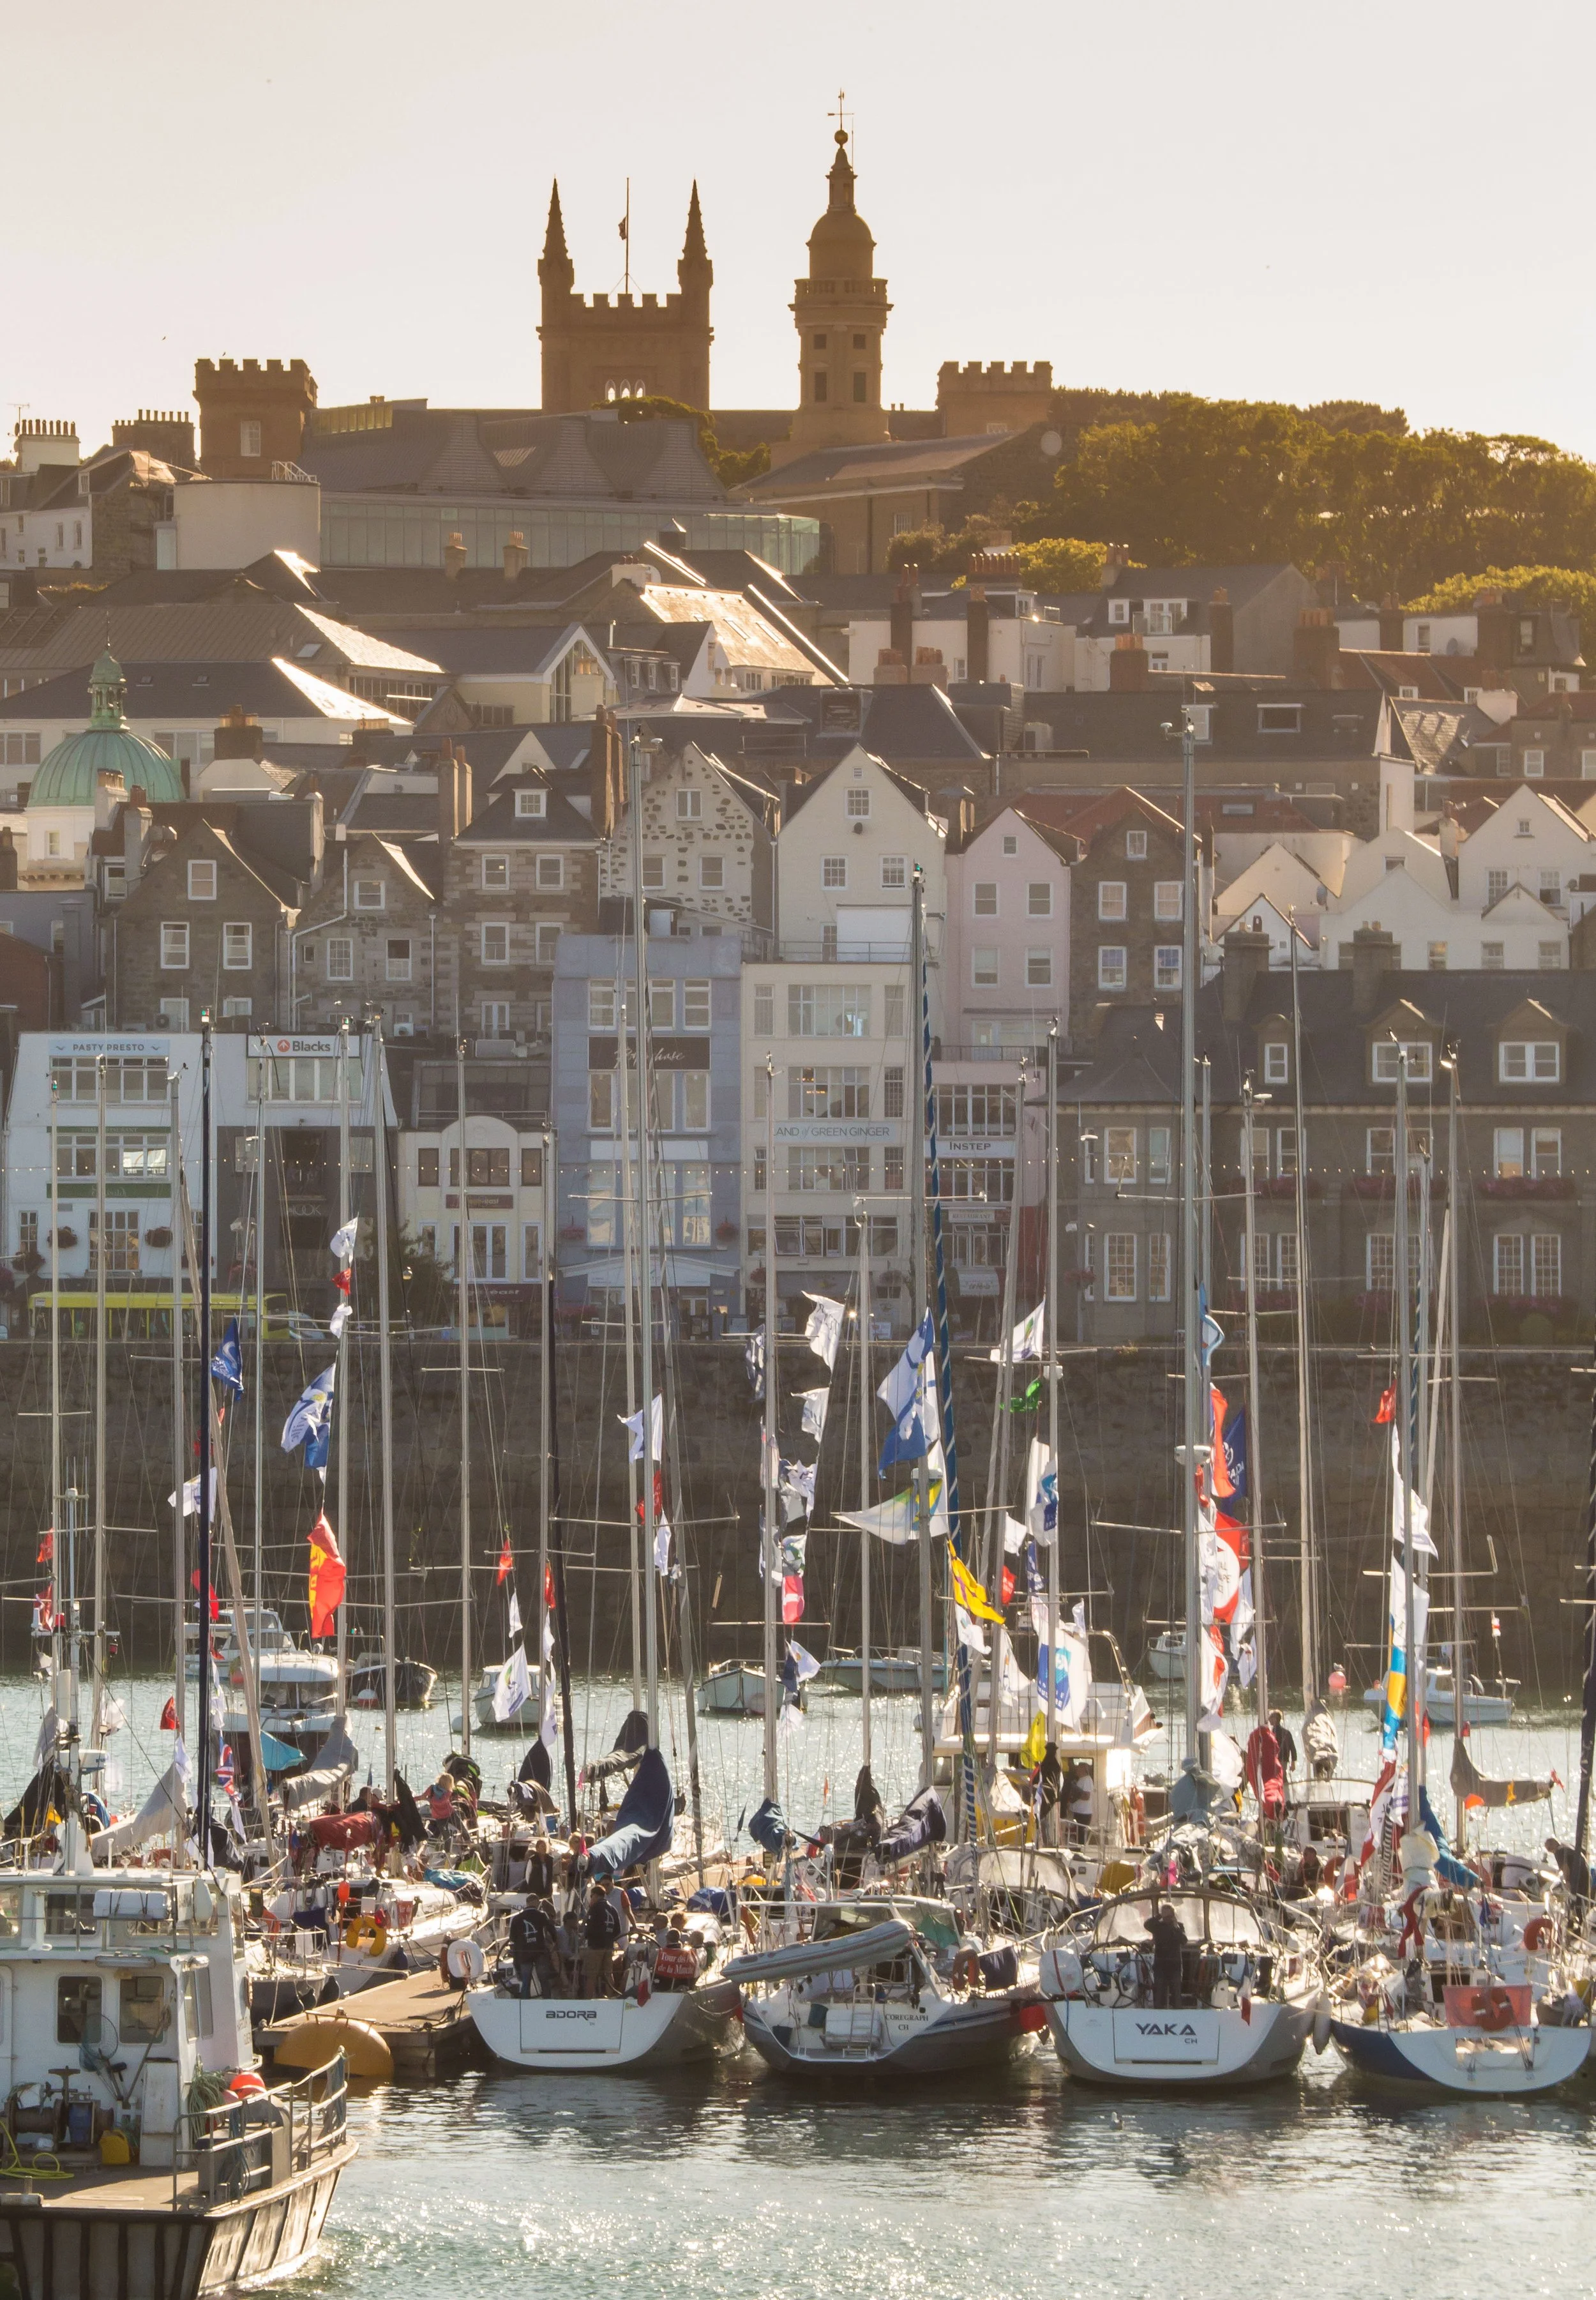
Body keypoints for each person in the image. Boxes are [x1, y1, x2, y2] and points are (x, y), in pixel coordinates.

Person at [1146, 1896, 1187, 2011]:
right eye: (1164, 1917)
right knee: (1159, 1995)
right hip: (1160, 1965)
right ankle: (1158, 2015)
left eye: (1169, 1916)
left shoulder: (1178, 1927)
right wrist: (1159, 1916)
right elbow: (1147, 1925)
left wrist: (1176, 1926)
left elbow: (1184, 1941)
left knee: (1177, 1996)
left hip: (1175, 1966)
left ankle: (1178, 2015)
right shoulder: (1158, 1926)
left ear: (1173, 1916)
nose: (1166, 1919)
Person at [581, 1880, 621, 1997]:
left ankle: (589, 1999)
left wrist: (586, 1937)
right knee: (609, 1974)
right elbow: (618, 1930)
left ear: (596, 1895)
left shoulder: (595, 1908)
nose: (591, 1899)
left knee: (591, 1975)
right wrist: (609, 1938)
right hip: (609, 1946)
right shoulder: (613, 1909)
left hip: (595, 1946)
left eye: (591, 1896)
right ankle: (610, 1996)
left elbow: (590, 1927)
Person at [1269, 1710, 1299, 1778]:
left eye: (1271, 1717)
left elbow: (1292, 1747)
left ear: (1275, 1719)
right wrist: (1293, 1762)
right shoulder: (1286, 1732)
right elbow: (1293, 1748)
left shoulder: (1272, 1733)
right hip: (1284, 1760)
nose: (1269, 1719)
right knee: (1283, 1776)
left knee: (1279, 1777)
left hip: (1279, 1759)